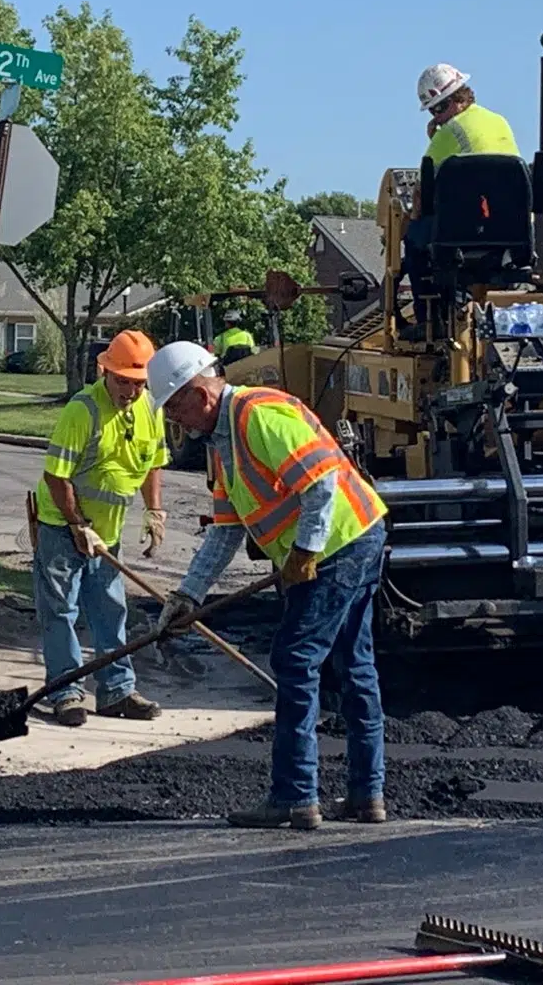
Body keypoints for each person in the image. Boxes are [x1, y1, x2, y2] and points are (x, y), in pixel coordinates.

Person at [148, 341, 388, 831]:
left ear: (201, 392)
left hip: (340, 544)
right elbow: (225, 531)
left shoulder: (258, 415)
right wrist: (187, 595)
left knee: (296, 660)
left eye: (176, 405)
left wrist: (304, 551)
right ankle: (367, 795)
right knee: (352, 662)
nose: (176, 419)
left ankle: (296, 796)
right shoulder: (220, 447)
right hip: (349, 540)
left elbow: (320, 483)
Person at [32, 329, 169, 726]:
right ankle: (67, 692)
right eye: (122, 381)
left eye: (137, 384)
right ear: (104, 372)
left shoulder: (151, 409)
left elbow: (153, 462)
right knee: (60, 611)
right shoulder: (82, 411)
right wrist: (77, 524)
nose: (129, 391)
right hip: (62, 527)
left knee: (111, 612)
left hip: (107, 534)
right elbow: (57, 476)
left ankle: (117, 691)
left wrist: (154, 511)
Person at [417, 62, 521, 168]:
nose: (437, 117)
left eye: (440, 107)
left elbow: (424, 182)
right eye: (432, 111)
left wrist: (438, 141)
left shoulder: (449, 131)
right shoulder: (500, 120)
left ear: (457, 98)